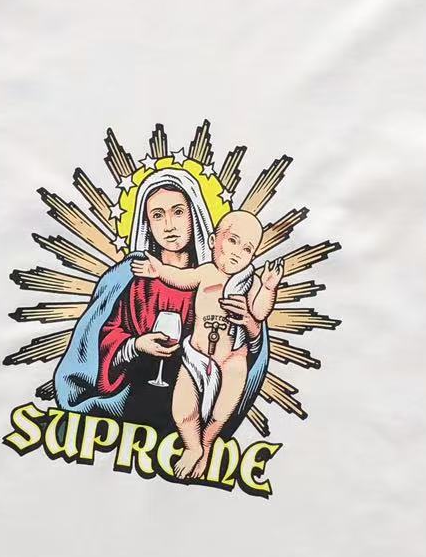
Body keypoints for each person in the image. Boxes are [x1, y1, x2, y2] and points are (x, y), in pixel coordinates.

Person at [53, 170, 271, 440]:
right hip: (130, 404)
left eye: (178, 212)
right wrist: (135, 345)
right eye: (157, 215)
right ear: (147, 223)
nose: (169, 225)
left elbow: (249, 351)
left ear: (193, 215)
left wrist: (250, 323)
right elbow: (97, 339)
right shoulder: (130, 276)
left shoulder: (223, 280)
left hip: (196, 399)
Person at [131, 210, 282, 478]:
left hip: (232, 358)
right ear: (213, 240)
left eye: (247, 249)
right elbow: (181, 279)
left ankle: (208, 443)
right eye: (232, 241)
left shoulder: (250, 283)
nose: (237, 253)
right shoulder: (206, 272)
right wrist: (159, 271)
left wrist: (269, 288)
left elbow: (259, 312)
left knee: (222, 411)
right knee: (182, 412)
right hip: (196, 355)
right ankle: (193, 447)